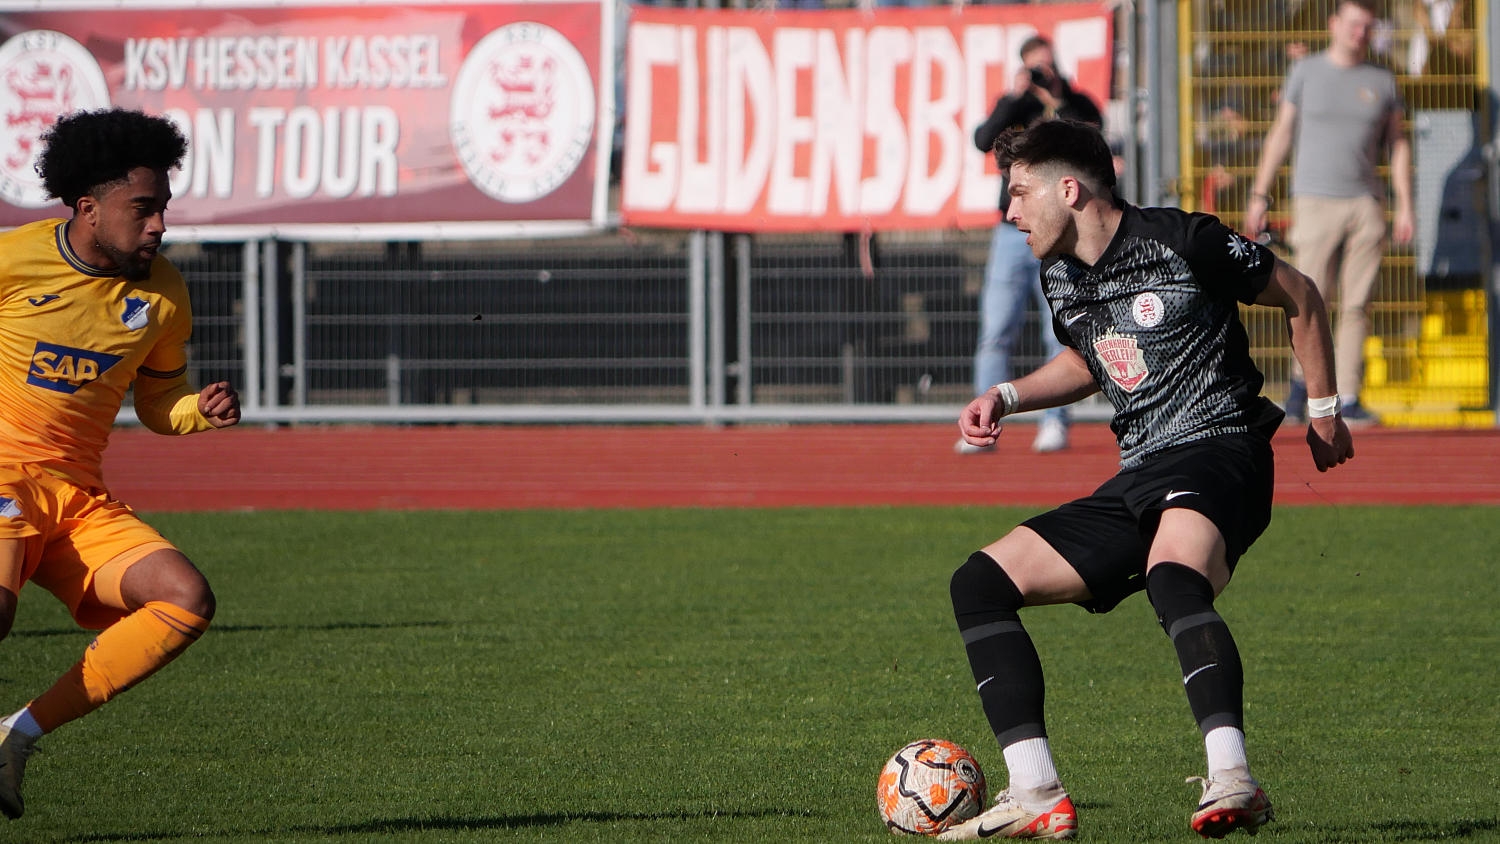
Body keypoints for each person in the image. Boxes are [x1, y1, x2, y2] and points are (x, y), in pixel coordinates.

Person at [939, 119, 1354, 840]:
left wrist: (1322, 411)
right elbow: (1091, 359)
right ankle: (1035, 792)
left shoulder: (1184, 240)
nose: (1009, 211)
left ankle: (1233, 777)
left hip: (1222, 450)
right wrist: (1007, 395)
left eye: (1020, 192)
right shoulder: (1059, 274)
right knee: (979, 583)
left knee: (1173, 576)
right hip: (1141, 473)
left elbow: (1301, 294)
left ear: (1069, 191)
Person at [0, 108, 241, 820]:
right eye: (142, 209)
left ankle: (16, 735)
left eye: (163, 208)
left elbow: (159, 402)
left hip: (76, 496)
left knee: (185, 599)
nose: (159, 225)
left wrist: (198, 411)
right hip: (3, 475)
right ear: (88, 208)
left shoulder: (164, 294)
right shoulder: (13, 260)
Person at [1243, 0, 1413, 425]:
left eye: (1367, 26)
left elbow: (1398, 145)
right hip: (1314, 202)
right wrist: (1260, 194)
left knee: (1357, 304)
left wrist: (1405, 206)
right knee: (1308, 298)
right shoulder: (1306, 72)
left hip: (1365, 203)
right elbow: (1282, 133)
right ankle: (1303, 388)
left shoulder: (1383, 80)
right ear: (1334, 24)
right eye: (1354, 24)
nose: (1360, 33)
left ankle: (1348, 395)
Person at [961, 36, 1101, 455]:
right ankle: (981, 422)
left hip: (1058, 232)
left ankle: (1054, 422)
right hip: (1012, 233)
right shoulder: (1016, 106)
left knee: (1057, 329)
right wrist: (1014, 96)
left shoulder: (1073, 102)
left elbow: (1092, 136)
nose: (1042, 73)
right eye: (1035, 66)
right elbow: (983, 139)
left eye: (1047, 65)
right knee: (995, 330)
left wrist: (1057, 96)